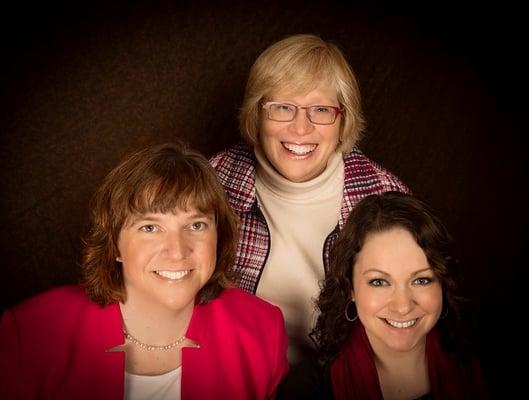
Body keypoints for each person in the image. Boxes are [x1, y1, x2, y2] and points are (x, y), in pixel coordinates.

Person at [0, 142, 289, 400]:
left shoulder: (262, 330)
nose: (177, 251)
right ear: (114, 244)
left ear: (219, 236)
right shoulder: (30, 335)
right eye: (150, 228)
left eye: (196, 225)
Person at [210, 34, 410, 364]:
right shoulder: (210, 184)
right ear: (257, 114)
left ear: (343, 119)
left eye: (320, 110)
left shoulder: (387, 197)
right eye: (283, 108)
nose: (301, 129)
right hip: (234, 372)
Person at [278, 191, 488, 399]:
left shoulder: (485, 363)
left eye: (421, 280)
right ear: (349, 286)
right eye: (379, 282)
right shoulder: (306, 389)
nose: (403, 306)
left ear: (443, 283)